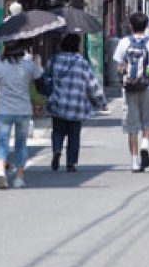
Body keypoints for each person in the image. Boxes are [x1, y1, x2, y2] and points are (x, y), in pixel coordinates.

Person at [45, 33, 108, 172]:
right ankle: (71, 163)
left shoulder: (54, 60)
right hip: (76, 105)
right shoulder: (82, 63)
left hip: (57, 103)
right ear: (77, 46)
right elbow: (92, 85)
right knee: (74, 135)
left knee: (57, 131)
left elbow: (46, 79)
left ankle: (56, 150)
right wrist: (101, 102)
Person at [113, 12, 149, 172]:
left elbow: (119, 67)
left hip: (129, 88)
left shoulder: (123, 42)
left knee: (132, 125)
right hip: (148, 87)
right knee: (148, 122)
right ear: (146, 26)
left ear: (131, 26)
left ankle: (135, 162)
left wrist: (125, 80)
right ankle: (145, 144)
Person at [0, 40, 43, 188]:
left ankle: (1, 170)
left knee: (2, 142)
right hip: (23, 110)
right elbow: (40, 85)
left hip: (3, 110)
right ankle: (19, 177)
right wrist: (36, 63)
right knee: (21, 144)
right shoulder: (29, 65)